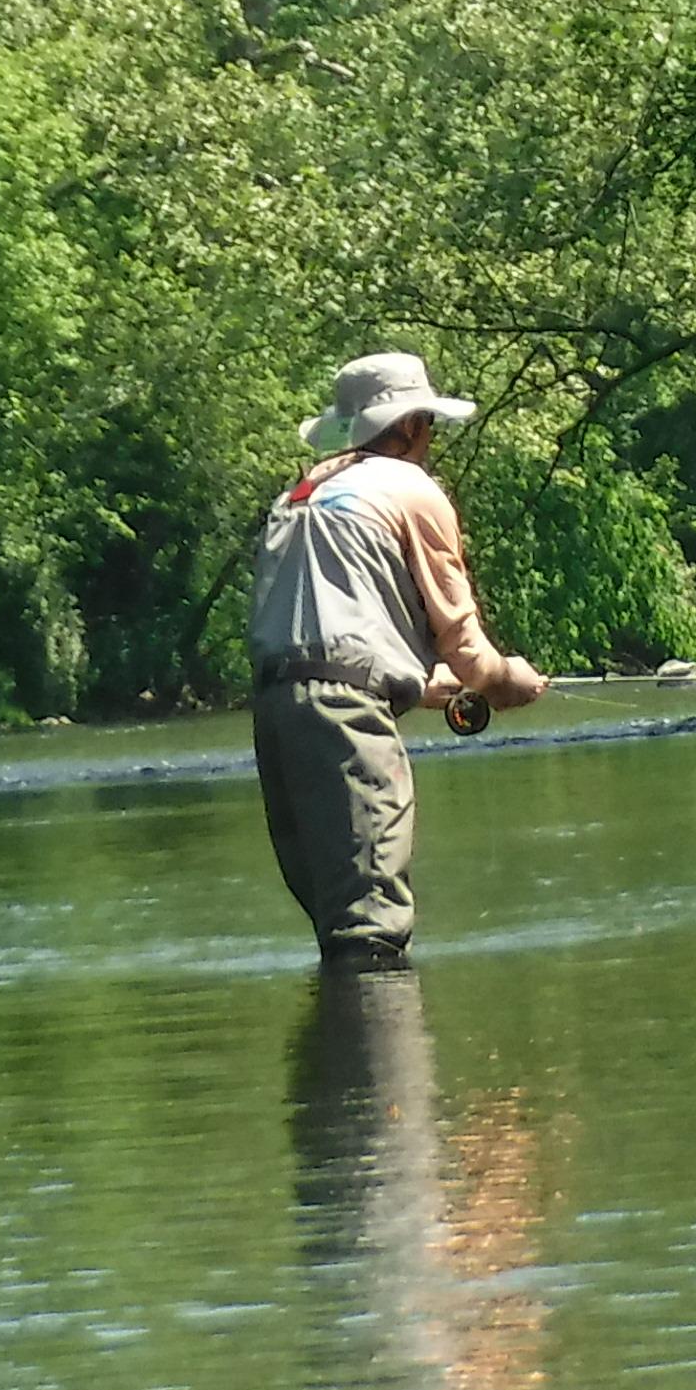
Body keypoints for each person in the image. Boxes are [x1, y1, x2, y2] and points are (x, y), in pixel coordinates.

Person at [247, 352, 546, 968]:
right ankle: (386, 1063)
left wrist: (420, 685)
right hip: (346, 714)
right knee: (371, 930)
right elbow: (462, 640)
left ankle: (341, 1062)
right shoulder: (411, 487)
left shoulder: (300, 493)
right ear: (409, 426)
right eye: (428, 425)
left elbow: (325, 635)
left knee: (338, 918)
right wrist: (502, 681)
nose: (431, 441)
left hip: (276, 710)